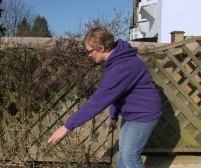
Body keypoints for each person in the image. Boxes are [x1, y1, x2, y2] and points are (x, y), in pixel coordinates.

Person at [47, 26, 162, 168]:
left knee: (130, 158)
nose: (88, 55)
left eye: (89, 51)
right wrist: (113, 116)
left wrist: (66, 127)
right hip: (131, 114)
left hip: (144, 115)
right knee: (123, 156)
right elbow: (117, 92)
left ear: (101, 48)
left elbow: (97, 102)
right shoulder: (115, 61)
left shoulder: (123, 66)